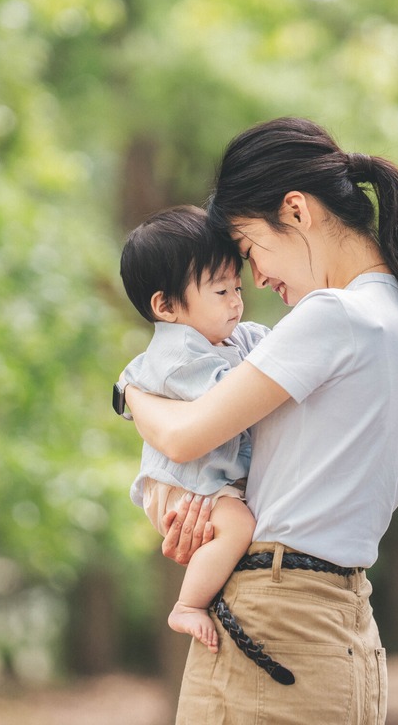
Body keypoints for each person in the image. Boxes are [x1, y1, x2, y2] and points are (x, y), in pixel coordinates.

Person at [122, 117, 398, 724]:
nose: (254, 278)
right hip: (339, 620)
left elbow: (183, 433)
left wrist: (127, 390)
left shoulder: (334, 316)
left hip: (275, 619)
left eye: (250, 248)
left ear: (297, 211)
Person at [115, 205, 267, 653]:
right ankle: (187, 605)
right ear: (166, 306)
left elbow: (269, 344)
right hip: (179, 486)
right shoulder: (179, 352)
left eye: (237, 287)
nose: (237, 301)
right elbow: (230, 399)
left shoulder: (224, 334)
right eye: (221, 290)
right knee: (237, 527)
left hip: (203, 477)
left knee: (237, 524)